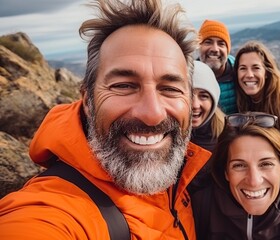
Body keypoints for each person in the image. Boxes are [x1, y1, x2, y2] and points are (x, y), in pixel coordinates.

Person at [0, 0, 212, 239]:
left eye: (171, 88)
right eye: (123, 85)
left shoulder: (184, 171)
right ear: (88, 101)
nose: (152, 114)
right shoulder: (53, 212)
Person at [192, 112, 280, 239]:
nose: (254, 181)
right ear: (226, 172)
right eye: (239, 165)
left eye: (266, 164)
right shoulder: (202, 207)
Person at [234, 40, 280, 137]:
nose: (249, 75)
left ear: (266, 72)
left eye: (256, 68)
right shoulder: (240, 98)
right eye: (243, 68)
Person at [198, 19, 237, 114]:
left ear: (227, 50)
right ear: (199, 46)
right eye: (208, 42)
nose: (215, 49)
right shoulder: (188, 76)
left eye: (221, 44)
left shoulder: (240, 73)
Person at [191, 61, 225, 152]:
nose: (195, 105)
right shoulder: (163, 139)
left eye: (203, 96)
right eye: (189, 95)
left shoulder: (227, 137)